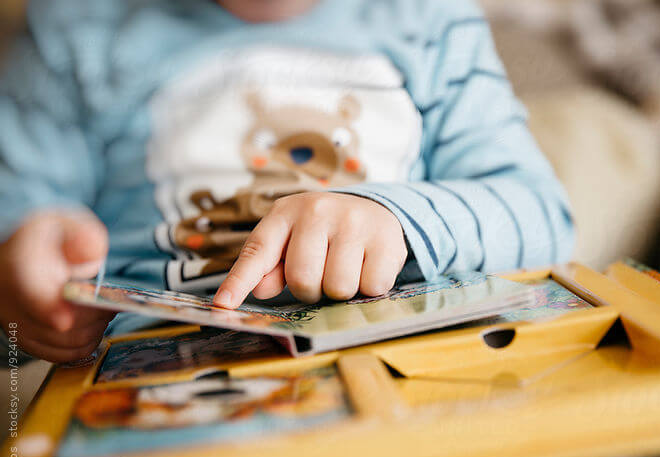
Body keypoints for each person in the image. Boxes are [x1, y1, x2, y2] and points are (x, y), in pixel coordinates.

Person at [0, 0, 573, 364]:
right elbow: (23, 250)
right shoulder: (71, 25)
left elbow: (543, 216)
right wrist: (19, 289)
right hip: (175, 379)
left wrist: (397, 219)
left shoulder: (432, 18)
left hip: (420, 362)